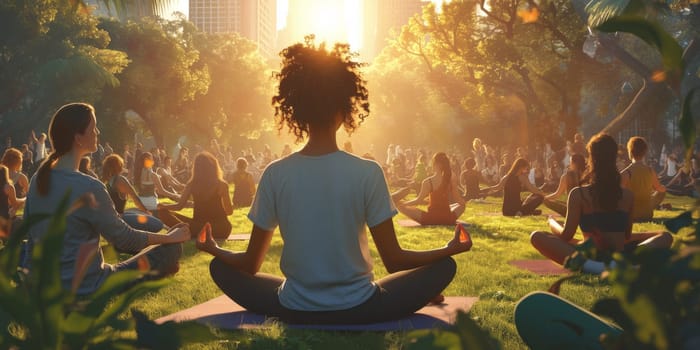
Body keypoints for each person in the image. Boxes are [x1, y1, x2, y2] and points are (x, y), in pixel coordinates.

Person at [196, 41, 470, 325]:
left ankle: (304, 295)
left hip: (293, 306)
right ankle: (419, 292)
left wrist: (214, 248)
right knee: (443, 267)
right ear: (343, 111)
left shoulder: (275, 173)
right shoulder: (367, 172)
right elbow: (394, 259)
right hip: (362, 306)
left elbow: (250, 264)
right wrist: (451, 248)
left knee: (220, 267)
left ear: (297, 112)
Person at [22, 103, 190, 295]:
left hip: (45, 287)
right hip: (88, 287)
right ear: (78, 138)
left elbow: (30, 238)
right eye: (93, 128)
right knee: (171, 248)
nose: (98, 132)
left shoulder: (37, 180)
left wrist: (29, 283)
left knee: (165, 239)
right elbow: (124, 239)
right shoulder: (89, 186)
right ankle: (165, 261)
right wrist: (169, 238)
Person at [530, 133, 672, 274]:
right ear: (614, 158)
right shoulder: (628, 195)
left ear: (591, 159)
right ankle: (621, 264)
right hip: (619, 256)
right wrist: (643, 236)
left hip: (590, 255)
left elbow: (566, 236)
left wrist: (553, 223)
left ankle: (592, 267)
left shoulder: (578, 194)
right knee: (665, 237)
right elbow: (626, 236)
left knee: (537, 236)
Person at [158, 152, 233, 240]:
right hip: (222, 230)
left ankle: (187, 231)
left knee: (162, 213)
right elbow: (229, 211)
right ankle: (190, 231)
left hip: (199, 228)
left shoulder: (192, 185)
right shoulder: (222, 185)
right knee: (197, 225)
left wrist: (163, 206)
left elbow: (179, 206)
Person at [393, 152, 466, 225]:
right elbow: (458, 200)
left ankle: (400, 206)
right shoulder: (450, 180)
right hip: (448, 219)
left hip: (431, 219)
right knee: (460, 206)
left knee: (401, 208)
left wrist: (402, 204)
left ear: (435, 164)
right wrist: (464, 204)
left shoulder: (428, 182)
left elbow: (418, 200)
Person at [101, 154, 164, 232]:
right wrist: (147, 212)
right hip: (118, 218)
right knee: (158, 224)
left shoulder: (109, 181)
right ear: (118, 166)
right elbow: (135, 198)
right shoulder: (120, 180)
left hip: (111, 217)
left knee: (136, 211)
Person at [620, 137, 666, 222]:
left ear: (630, 152)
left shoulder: (625, 173)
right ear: (644, 153)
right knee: (661, 191)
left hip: (631, 215)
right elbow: (660, 189)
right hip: (647, 214)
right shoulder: (650, 171)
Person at [0, 165, 24, 238]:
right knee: (22, 219)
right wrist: (26, 199)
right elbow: (15, 204)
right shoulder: (8, 187)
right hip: (4, 218)